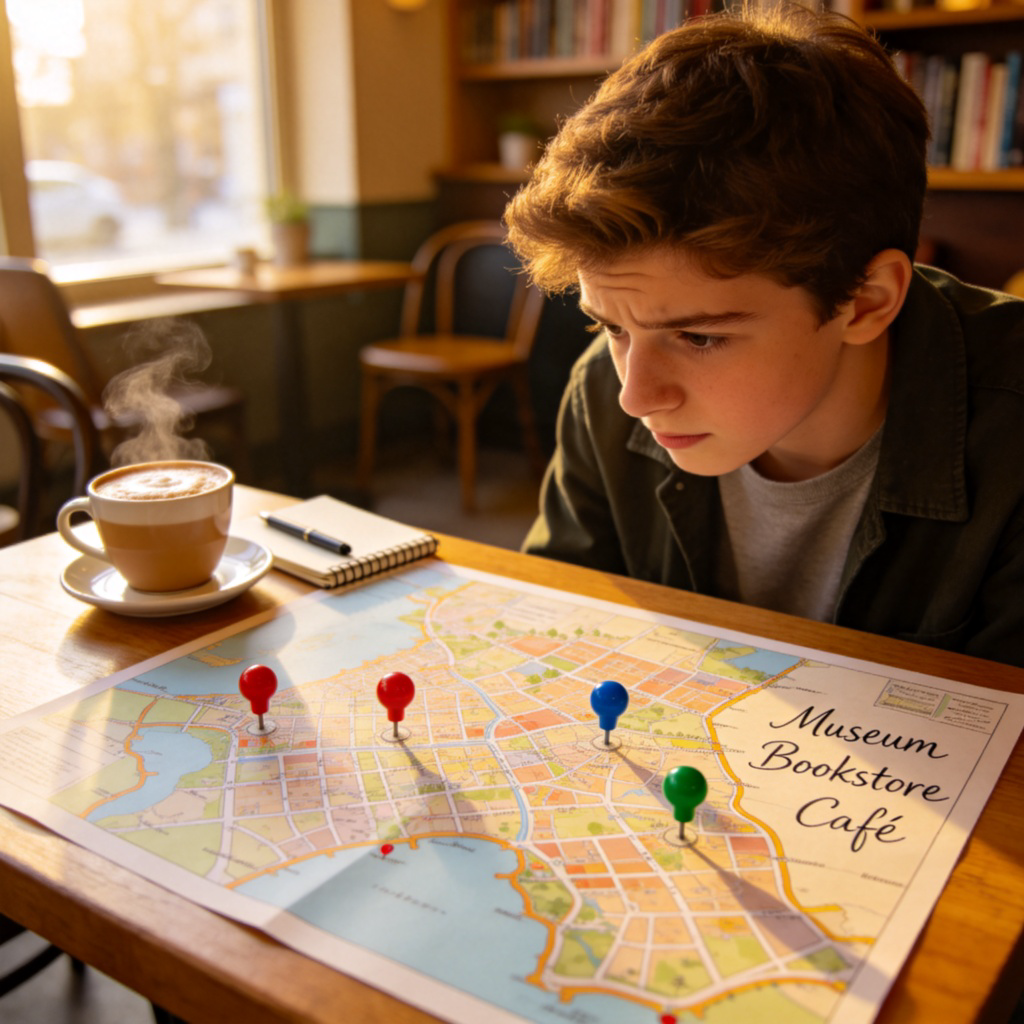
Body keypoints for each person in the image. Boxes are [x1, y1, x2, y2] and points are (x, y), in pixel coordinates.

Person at [504, 4, 1024, 667]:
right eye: (610, 325)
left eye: (696, 337)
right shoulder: (602, 386)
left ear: (865, 303)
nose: (635, 395)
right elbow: (561, 633)